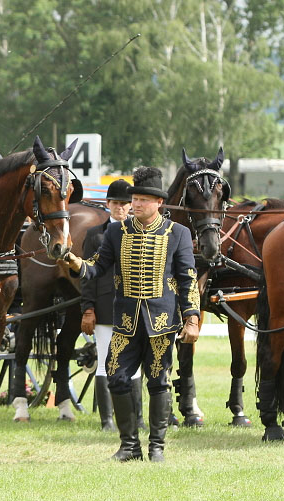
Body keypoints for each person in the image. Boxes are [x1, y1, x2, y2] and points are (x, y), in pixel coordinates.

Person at [63, 167, 200, 462]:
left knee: (158, 381)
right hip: (125, 321)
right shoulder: (116, 231)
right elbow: (96, 267)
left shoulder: (178, 234)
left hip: (161, 323)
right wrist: (74, 261)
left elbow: (188, 278)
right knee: (116, 377)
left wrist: (192, 318)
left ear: (158, 203)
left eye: (142, 200)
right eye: (134, 199)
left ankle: (157, 446)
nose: (135, 204)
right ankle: (129, 445)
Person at [78, 179, 144, 432]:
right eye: (116, 203)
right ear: (108, 205)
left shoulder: (139, 233)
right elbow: (87, 274)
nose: (120, 208)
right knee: (106, 360)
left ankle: (137, 419)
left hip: (135, 307)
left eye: (125, 204)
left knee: (135, 366)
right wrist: (88, 308)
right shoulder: (95, 235)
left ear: (131, 207)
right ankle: (107, 420)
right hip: (105, 307)